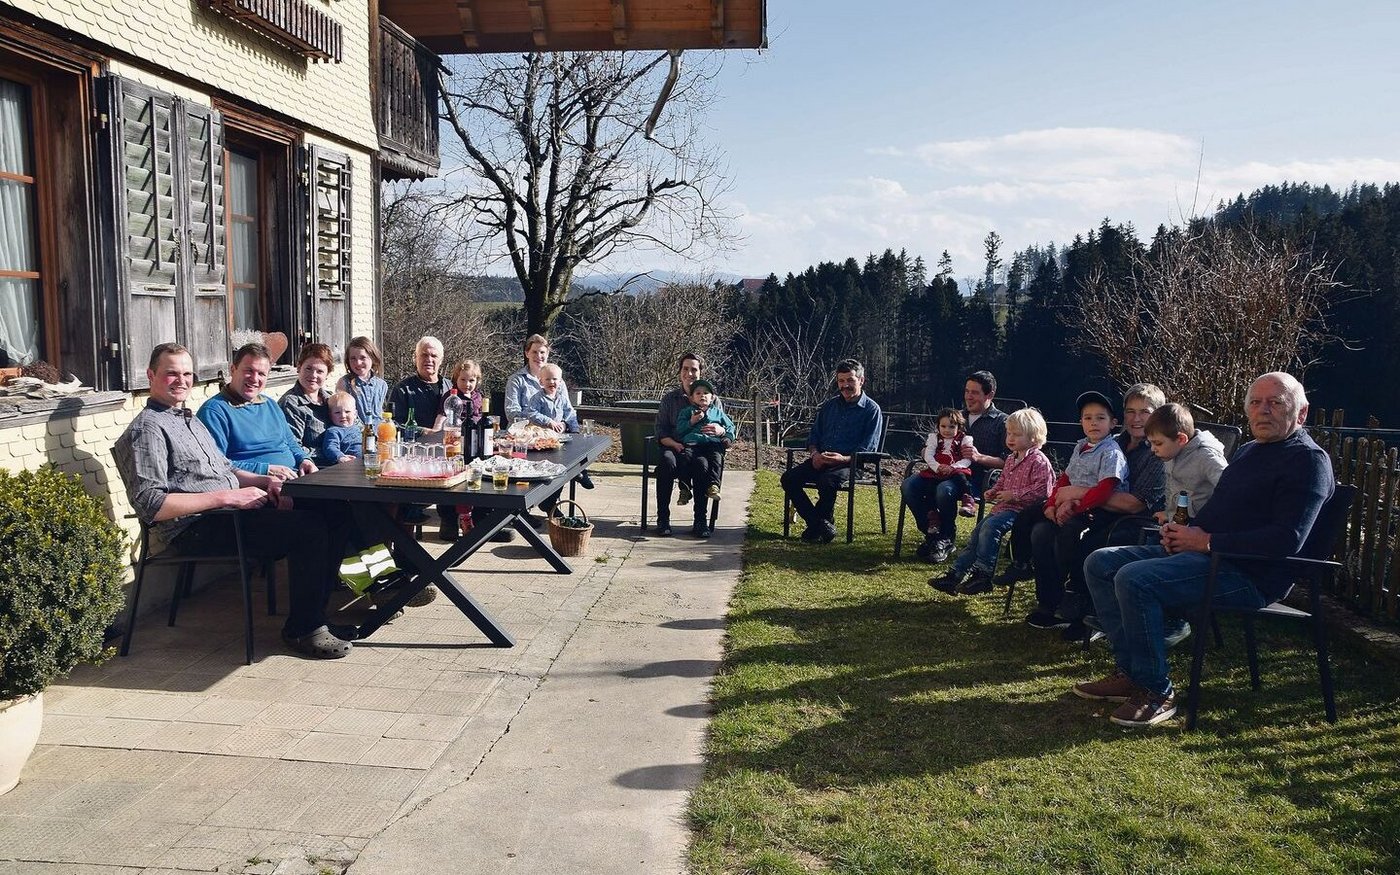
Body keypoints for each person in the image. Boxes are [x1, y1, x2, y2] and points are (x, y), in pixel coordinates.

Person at [1073, 372, 1333, 728]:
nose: (1263, 411)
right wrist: (1184, 530)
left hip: (1252, 575)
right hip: (1211, 556)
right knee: (1100, 562)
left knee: (1136, 579)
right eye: (1256, 403)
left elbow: (1286, 539)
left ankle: (1156, 691)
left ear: (1300, 413)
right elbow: (1219, 510)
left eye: (1276, 403)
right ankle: (1133, 672)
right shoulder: (1249, 451)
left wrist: (1207, 541)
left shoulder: (1308, 461)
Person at [114, 343, 355, 659]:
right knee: (309, 528)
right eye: (171, 373)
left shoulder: (186, 418)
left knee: (336, 510)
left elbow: (226, 469)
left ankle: (319, 615)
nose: (181, 381)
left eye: (187, 374)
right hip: (200, 527)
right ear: (150, 376)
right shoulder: (147, 429)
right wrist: (227, 497)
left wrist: (264, 482)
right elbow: (152, 505)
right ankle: (302, 629)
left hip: (233, 511)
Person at [1007, 390, 1131, 631]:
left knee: (1067, 538)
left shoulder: (1111, 452)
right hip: (1071, 505)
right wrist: (1053, 504)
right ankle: (1029, 576)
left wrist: (1075, 506)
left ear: (1114, 423)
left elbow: (1105, 489)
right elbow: (1065, 478)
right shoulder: (1081, 447)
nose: (1093, 423)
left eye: (1100, 418)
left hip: (1096, 512)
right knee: (1033, 523)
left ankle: (1069, 592)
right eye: (1087, 418)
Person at [928, 407, 1055, 595]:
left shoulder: (1039, 461)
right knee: (976, 536)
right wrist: (993, 491)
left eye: (1017, 435)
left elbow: (1043, 490)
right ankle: (955, 574)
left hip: (1023, 512)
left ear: (1034, 438)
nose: (1010, 438)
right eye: (1009, 433)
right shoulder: (1012, 459)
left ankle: (983, 574)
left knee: (990, 529)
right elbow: (1003, 480)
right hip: (1003, 508)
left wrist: (1015, 494)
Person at [902, 371, 1008, 563]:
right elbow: (934, 445)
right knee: (909, 485)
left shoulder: (1002, 422)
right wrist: (927, 452)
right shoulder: (955, 417)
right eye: (967, 391)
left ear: (989, 394)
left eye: (975, 392)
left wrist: (979, 457)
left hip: (977, 479)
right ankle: (933, 534)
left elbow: (1009, 461)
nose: (968, 396)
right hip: (940, 472)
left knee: (945, 490)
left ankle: (945, 538)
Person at [781, 359, 883, 544]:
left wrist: (841, 458)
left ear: (861, 380)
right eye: (841, 381)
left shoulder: (872, 410)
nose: (845, 385)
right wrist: (815, 454)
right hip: (822, 460)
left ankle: (817, 528)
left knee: (826, 480)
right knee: (789, 478)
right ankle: (819, 524)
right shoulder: (829, 406)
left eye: (850, 380)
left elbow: (868, 449)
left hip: (850, 464)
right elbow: (813, 438)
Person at [197, 343, 316, 478]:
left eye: (261, 374)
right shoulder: (214, 411)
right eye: (249, 371)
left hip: (294, 478)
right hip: (257, 487)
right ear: (233, 369)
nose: (254, 379)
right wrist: (264, 470)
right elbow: (215, 465)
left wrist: (304, 460)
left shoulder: (270, 404)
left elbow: (291, 443)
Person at [652, 352, 725, 537]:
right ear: (680, 372)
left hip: (701, 449)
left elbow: (725, 426)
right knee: (667, 463)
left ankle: (700, 521)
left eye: (694, 369)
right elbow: (660, 431)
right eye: (685, 369)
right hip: (673, 447)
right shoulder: (670, 399)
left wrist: (721, 431)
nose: (689, 374)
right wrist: (675, 444)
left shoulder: (713, 399)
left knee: (702, 465)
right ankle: (663, 519)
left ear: (700, 372)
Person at [1145, 402, 1228, 524]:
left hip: (1200, 526)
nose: (1153, 449)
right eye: (1150, 443)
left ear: (1181, 439)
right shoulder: (1171, 453)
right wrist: (1168, 512)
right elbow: (1170, 488)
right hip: (1176, 522)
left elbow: (1230, 486)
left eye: (1158, 443)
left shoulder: (1206, 457)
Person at [675, 378, 736, 538]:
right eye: (698, 393)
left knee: (717, 458)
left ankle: (713, 486)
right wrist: (691, 422)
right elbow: (679, 431)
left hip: (712, 444)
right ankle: (685, 488)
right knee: (687, 458)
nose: (702, 396)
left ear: (712, 397)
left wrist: (724, 434)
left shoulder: (718, 413)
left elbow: (731, 427)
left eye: (706, 393)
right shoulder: (687, 412)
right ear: (692, 398)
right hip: (694, 444)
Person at [915, 407, 975, 542]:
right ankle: (933, 518)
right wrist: (936, 467)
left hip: (955, 469)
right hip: (937, 470)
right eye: (943, 426)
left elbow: (967, 459)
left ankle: (968, 501)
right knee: (929, 487)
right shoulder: (934, 438)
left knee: (961, 478)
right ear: (938, 426)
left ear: (959, 427)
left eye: (951, 427)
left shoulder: (964, 439)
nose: (947, 430)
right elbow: (928, 455)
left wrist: (952, 467)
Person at [280, 342, 335, 463]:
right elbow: (293, 446)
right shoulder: (292, 403)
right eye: (308, 368)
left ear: (327, 374)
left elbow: (355, 426)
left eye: (320, 371)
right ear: (299, 367)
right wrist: (333, 453)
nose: (313, 375)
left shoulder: (332, 399)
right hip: (314, 467)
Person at [388, 335, 451, 431]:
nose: (429, 360)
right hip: (415, 445)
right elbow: (394, 425)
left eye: (434, 356)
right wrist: (423, 432)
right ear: (415, 358)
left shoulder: (451, 387)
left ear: (441, 360)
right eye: (424, 355)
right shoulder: (403, 390)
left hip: (449, 444)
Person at [504, 334, 567, 426]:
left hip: (553, 434)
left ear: (547, 354)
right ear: (527, 353)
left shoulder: (558, 382)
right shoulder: (516, 380)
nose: (538, 356)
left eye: (542, 352)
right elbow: (512, 413)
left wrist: (564, 425)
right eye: (534, 352)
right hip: (524, 434)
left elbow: (567, 411)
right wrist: (544, 421)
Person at [337, 336, 389, 425]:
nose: (358, 363)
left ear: (372, 358)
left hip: (379, 434)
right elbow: (342, 413)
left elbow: (383, 414)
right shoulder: (344, 383)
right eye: (353, 358)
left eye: (363, 358)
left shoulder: (381, 385)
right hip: (356, 433)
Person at [524, 363, 579, 432]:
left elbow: (570, 415)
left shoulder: (562, 398)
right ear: (541, 382)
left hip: (559, 433)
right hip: (541, 433)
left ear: (560, 382)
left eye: (555, 379)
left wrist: (575, 430)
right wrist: (548, 421)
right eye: (547, 379)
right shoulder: (537, 398)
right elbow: (532, 413)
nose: (551, 382)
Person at [320, 391, 363, 464]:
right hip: (350, 463)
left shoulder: (357, 427)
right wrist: (340, 457)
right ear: (330, 415)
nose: (343, 415)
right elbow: (330, 447)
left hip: (367, 459)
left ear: (355, 414)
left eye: (347, 412)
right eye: (337, 412)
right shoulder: (334, 431)